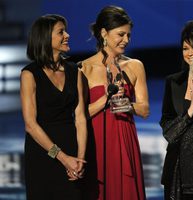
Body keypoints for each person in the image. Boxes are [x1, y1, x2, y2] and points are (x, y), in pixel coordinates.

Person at [80, 5, 149, 200]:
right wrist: (106, 100)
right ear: (104, 33)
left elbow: (144, 110)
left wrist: (125, 103)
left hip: (124, 140)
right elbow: (80, 115)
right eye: (121, 34)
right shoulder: (83, 69)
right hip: (96, 143)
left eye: (128, 35)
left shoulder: (135, 66)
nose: (126, 40)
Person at [20, 14, 87, 200]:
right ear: (45, 38)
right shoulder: (29, 74)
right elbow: (30, 125)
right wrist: (64, 158)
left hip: (72, 149)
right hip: (43, 152)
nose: (67, 35)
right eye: (61, 32)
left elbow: (80, 118)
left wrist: (80, 159)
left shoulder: (75, 71)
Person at [160, 20, 193, 200]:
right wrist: (190, 111)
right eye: (185, 48)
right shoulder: (173, 82)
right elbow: (169, 132)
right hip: (178, 171)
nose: (190, 53)